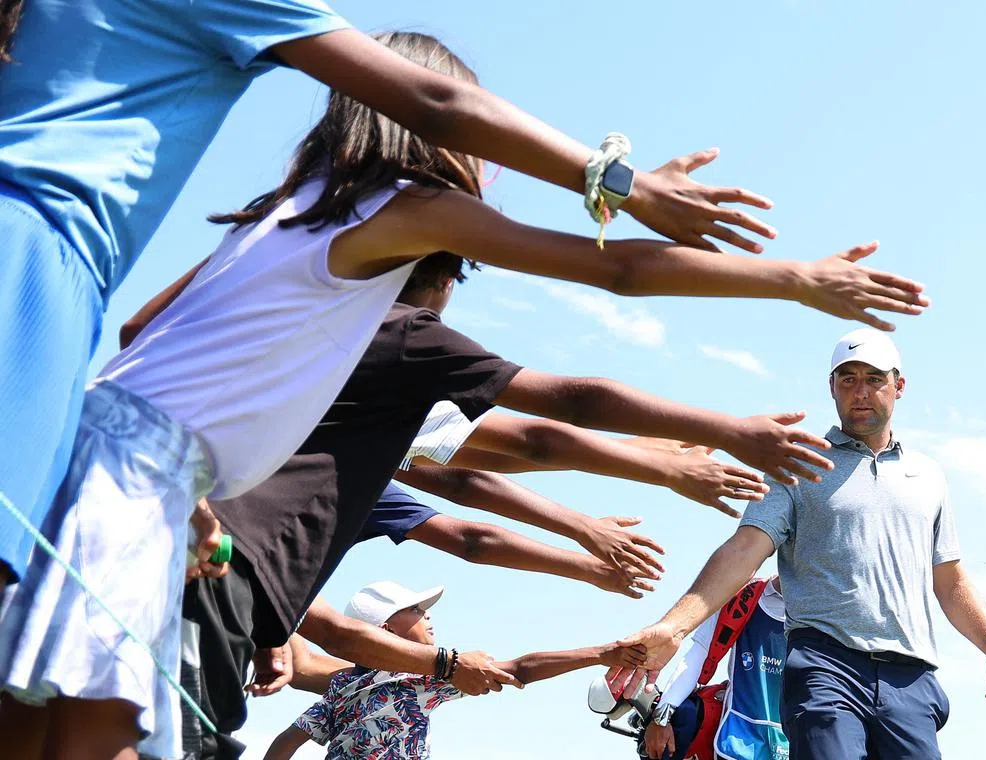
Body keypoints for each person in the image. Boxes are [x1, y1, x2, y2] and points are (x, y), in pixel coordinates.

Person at [0, 30, 926, 760]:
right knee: (105, 733)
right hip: (149, 474)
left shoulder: (287, 209)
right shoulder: (407, 210)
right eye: (479, 141)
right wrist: (791, 279)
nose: (487, 163)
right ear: (434, 132)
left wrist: (197, 482)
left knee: (35, 721)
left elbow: (137, 333)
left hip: (90, 455)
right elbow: (614, 284)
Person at [0, 0, 781, 594]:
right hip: (190, 528)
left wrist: (651, 467)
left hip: (141, 467)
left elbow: (455, 459)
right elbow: (548, 416)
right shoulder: (397, 321)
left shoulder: (283, 221)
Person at [613, 328, 986, 760]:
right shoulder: (797, 465)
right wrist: (674, 625)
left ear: (899, 386)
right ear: (832, 388)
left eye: (873, 379)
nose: (860, 392)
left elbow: (950, 579)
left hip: (910, 677)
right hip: (827, 665)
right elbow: (744, 549)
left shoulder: (929, 477)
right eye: (848, 379)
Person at [260, 581, 646, 760]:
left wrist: (599, 654)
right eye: (415, 610)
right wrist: (597, 652)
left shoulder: (354, 683)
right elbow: (519, 670)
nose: (427, 616)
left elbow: (287, 741)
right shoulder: (401, 679)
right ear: (385, 630)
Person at [644, 576, 788, 760]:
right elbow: (696, 658)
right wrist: (661, 717)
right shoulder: (742, 595)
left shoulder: (826, 610)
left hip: (798, 746)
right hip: (737, 747)